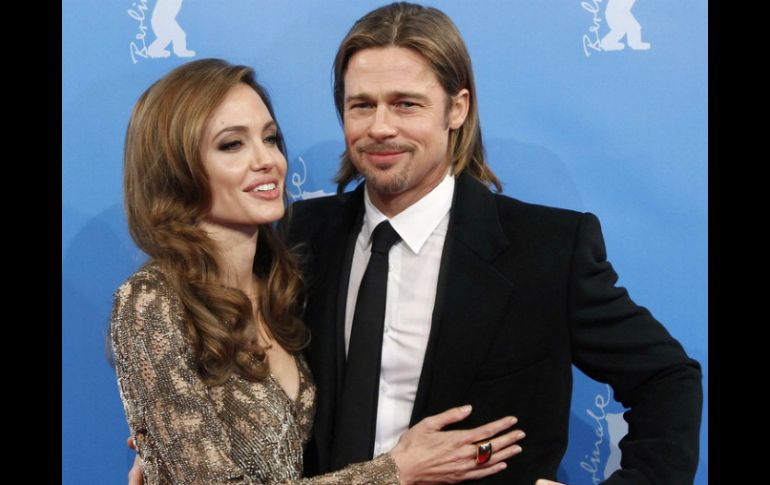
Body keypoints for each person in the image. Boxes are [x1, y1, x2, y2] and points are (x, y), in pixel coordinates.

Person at [282, 3, 702, 484]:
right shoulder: (298, 236)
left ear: (457, 108)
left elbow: (668, 378)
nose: (380, 126)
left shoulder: (548, 250)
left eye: (406, 104)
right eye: (362, 105)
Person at [112, 57, 525, 485]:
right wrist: (396, 471)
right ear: (176, 169)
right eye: (232, 145)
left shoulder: (281, 283)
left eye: (270, 138)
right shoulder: (151, 300)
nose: (267, 160)